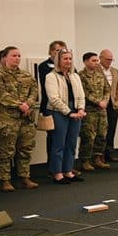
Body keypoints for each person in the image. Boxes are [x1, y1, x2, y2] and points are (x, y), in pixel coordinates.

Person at [0, 46, 38, 192]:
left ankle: (24, 177)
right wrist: (19, 105)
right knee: (5, 151)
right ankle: (5, 180)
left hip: (25, 118)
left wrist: (28, 104)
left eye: (18, 56)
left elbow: (34, 91)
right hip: (6, 119)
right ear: (5, 58)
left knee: (25, 149)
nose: (17, 58)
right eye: (13, 56)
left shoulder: (27, 75)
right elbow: (1, 95)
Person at [44, 48, 86, 184]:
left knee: (72, 143)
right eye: (65, 59)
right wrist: (69, 112)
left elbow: (81, 95)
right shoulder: (51, 76)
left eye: (70, 58)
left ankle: (68, 171)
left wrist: (80, 109)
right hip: (58, 112)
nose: (68, 61)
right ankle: (57, 173)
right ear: (58, 60)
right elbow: (53, 98)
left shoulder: (75, 76)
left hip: (75, 111)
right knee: (59, 143)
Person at [78, 52, 110, 171]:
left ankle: (97, 158)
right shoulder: (81, 76)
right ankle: (85, 160)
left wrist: (105, 100)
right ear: (85, 61)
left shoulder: (100, 75)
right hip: (89, 110)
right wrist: (98, 102)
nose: (96, 63)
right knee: (88, 136)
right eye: (93, 60)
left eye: (97, 61)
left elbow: (107, 89)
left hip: (101, 111)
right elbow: (84, 93)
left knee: (102, 135)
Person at [37, 40, 67, 165]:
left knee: (67, 138)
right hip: (51, 106)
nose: (61, 53)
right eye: (58, 50)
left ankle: (66, 166)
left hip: (67, 107)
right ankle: (53, 166)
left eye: (63, 51)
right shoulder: (44, 66)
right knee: (54, 139)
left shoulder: (70, 67)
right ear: (51, 51)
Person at [99, 49, 118, 163]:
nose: (109, 62)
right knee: (101, 131)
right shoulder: (96, 70)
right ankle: (100, 155)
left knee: (111, 130)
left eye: (111, 59)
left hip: (113, 105)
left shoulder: (115, 71)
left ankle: (109, 153)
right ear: (101, 58)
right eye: (107, 59)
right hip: (100, 105)